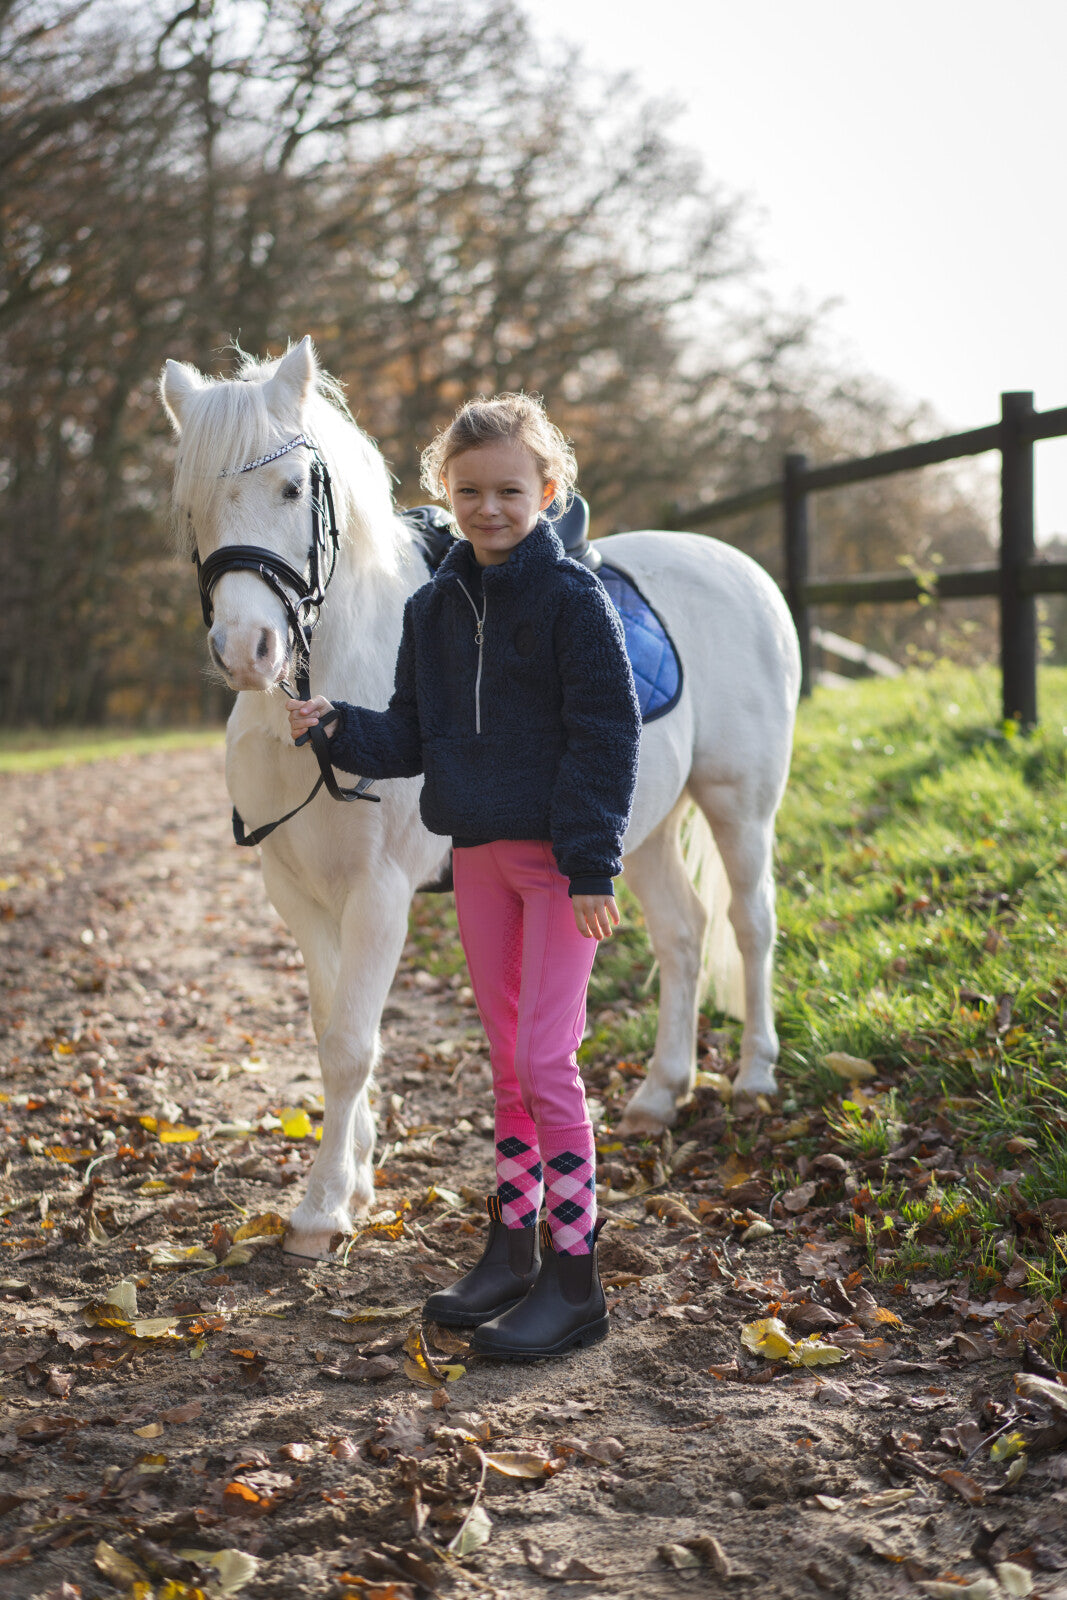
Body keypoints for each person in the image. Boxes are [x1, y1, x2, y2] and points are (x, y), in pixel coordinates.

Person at [287, 393, 641, 1358]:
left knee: (546, 1061)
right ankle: (512, 1249)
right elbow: (411, 733)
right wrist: (338, 727)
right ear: (444, 493)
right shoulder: (432, 608)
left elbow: (606, 737)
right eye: (469, 491)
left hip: (559, 868)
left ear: (547, 492)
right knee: (506, 1060)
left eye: (509, 491)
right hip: (477, 858)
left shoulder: (572, 601)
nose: (489, 508)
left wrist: (591, 862)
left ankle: (575, 1277)